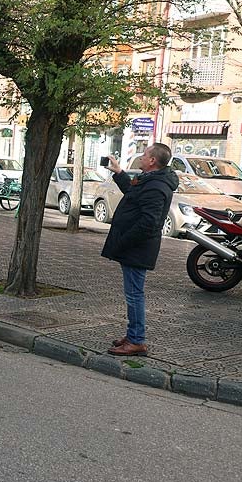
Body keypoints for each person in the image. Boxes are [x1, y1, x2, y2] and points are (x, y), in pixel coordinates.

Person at [101, 144, 178, 357]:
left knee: (135, 295)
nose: (141, 158)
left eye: (144, 155)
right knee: (133, 293)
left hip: (137, 249)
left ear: (153, 161)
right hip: (135, 248)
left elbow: (149, 223)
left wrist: (123, 241)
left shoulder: (156, 186)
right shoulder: (151, 180)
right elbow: (133, 194)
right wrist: (119, 173)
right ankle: (133, 334)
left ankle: (136, 340)